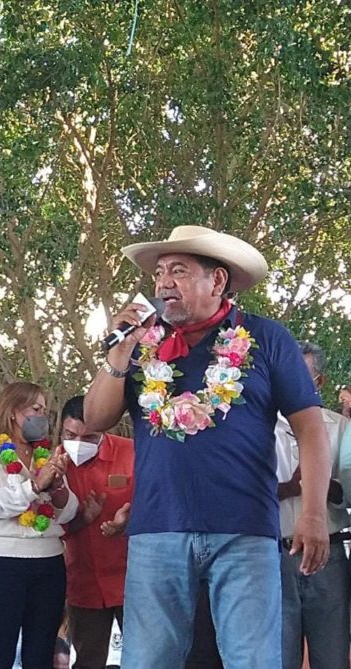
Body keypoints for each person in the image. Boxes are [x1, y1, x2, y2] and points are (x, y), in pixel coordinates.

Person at [84, 225, 330, 668]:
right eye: (159, 273)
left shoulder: (266, 337)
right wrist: (119, 354)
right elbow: (95, 419)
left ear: (217, 281)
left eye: (178, 271)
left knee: (252, 660)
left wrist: (312, 513)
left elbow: (311, 428)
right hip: (157, 527)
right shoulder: (141, 344)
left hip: (244, 530)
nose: (163, 282)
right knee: (147, 660)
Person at [0, 381, 77, 668]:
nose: (43, 416)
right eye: (36, 409)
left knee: (40, 656)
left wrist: (57, 488)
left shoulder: (46, 453)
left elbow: (67, 513)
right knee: (0, 655)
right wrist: (34, 486)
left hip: (48, 562)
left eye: (45, 410)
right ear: (13, 411)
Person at [276, 342, 351, 668]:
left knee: (332, 655)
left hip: (328, 555)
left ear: (319, 382)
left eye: (301, 375)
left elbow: (349, 493)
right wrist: (289, 488)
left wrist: (323, 486)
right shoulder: (260, 427)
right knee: (278, 656)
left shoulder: (341, 427)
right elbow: (242, 493)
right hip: (274, 555)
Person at [59, 395, 133, 669]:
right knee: (88, 660)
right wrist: (82, 519)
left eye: (89, 437)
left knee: (147, 659)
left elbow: (157, 503)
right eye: (70, 435)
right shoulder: (53, 465)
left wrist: (128, 523)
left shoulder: (131, 453)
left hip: (133, 581)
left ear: (104, 430)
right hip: (83, 581)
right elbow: (49, 528)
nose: (78, 443)